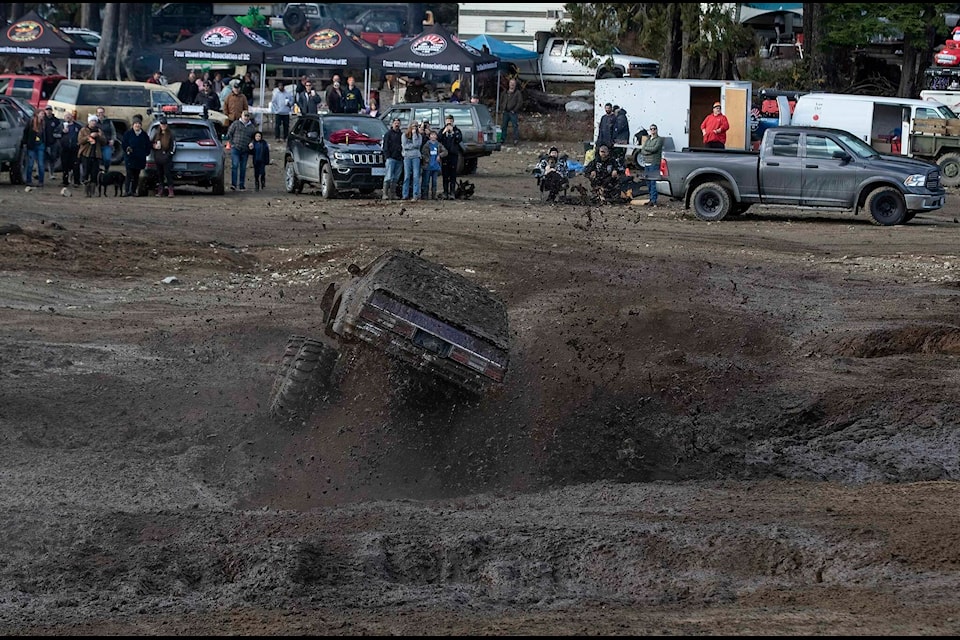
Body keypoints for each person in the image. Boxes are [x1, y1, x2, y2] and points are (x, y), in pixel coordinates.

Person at [226, 110, 257, 191]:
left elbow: (255, 138)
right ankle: (234, 184)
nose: (246, 117)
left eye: (247, 116)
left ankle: (241, 184)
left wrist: (252, 143)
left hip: (245, 150)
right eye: (245, 116)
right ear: (241, 116)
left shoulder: (252, 127)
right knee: (235, 166)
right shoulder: (236, 124)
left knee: (243, 168)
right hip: (235, 148)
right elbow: (229, 134)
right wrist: (232, 143)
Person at [121, 114, 151, 197]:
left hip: (140, 159)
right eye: (135, 124)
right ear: (133, 125)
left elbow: (148, 145)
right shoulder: (128, 134)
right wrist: (127, 149)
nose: (137, 125)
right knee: (129, 175)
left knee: (136, 176)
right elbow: (123, 144)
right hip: (130, 158)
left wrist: (146, 153)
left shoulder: (144, 135)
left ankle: (133, 191)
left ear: (141, 125)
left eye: (139, 124)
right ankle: (126, 191)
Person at [77, 114, 106, 191]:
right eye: (92, 121)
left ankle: (93, 190)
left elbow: (104, 142)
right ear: (89, 122)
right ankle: (86, 189)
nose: (94, 123)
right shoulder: (83, 130)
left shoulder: (99, 131)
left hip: (96, 154)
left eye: (95, 121)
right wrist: (89, 137)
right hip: (86, 154)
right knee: (85, 172)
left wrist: (99, 137)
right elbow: (80, 141)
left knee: (94, 173)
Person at [638, 123, 664, 206]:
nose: (653, 130)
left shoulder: (659, 139)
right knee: (648, 182)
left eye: (654, 129)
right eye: (651, 129)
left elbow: (655, 149)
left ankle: (654, 200)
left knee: (653, 182)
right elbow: (642, 150)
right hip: (647, 163)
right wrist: (648, 150)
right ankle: (650, 198)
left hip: (654, 163)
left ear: (657, 130)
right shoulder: (648, 139)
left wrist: (646, 150)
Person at [150, 116, 176, 197]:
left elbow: (173, 146)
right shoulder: (156, 134)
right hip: (158, 157)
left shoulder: (171, 134)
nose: (163, 126)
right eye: (162, 124)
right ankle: (160, 190)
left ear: (167, 125)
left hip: (166, 158)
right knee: (159, 175)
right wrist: (154, 146)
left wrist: (169, 155)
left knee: (168, 174)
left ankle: (170, 191)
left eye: (164, 124)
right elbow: (151, 143)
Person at [438, 113, 462, 200]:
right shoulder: (442, 130)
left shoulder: (457, 130)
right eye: (448, 121)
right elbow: (438, 139)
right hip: (445, 155)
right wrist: (444, 132)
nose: (449, 123)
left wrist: (453, 132)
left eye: (451, 121)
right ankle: (445, 192)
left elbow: (459, 139)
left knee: (452, 174)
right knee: (445, 174)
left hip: (453, 155)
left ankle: (452, 192)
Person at [420, 129, 447, 200]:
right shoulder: (426, 145)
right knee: (426, 182)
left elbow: (445, 151)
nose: (433, 136)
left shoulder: (438, 145)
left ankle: (433, 195)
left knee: (434, 182)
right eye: (431, 135)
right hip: (428, 166)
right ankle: (425, 195)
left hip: (436, 166)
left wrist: (440, 155)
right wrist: (427, 160)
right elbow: (423, 154)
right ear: (429, 137)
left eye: (434, 135)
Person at [22, 111, 46, 187]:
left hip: (41, 144)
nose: (42, 115)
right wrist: (24, 143)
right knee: (30, 164)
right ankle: (29, 181)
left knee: (41, 164)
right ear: (37, 114)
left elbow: (46, 134)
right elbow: (26, 132)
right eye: (41, 114)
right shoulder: (31, 122)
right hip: (32, 145)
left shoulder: (44, 123)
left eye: (43, 114)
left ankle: (41, 181)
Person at [381, 117, 403, 200]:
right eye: (395, 123)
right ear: (392, 124)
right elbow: (385, 146)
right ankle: (385, 194)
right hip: (391, 158)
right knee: (388, 177)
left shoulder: (401, 135)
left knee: (396, 177)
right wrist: (387, 156)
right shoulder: (388, 134)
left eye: (398, 123)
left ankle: (393, 194)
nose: (397, 124)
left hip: (399, 159)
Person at [58, 111, 82, 187]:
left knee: (76, 165)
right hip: (65, 148)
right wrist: (62, 132)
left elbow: (82, 135)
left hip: (75, 149)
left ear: (72, 117)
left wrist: (79, 143)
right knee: (65, 165)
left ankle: (76, 182)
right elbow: (55, 134)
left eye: (69, 116)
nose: (67, 117)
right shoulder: (61, 126)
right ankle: (65, 181)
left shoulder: (77, 126)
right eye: (66, 116)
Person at [400, 121, 422, 201]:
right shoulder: (404, 135)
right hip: (407, 157)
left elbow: (417, 144)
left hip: (416, 157)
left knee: (416, 176)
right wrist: (413, 146)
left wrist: (414, 135)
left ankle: (415, 195)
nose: (414, 128)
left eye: (416, 126)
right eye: (413, 126)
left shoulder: (418, 135)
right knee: (407, 176)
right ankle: (405, 194)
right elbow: (405, 146)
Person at [501, 78, 523, 145]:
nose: (512, 85)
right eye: (511, 83)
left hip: (513, 112)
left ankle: (515, 139)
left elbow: (520, 102)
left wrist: (514, 110)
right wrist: (502, 108)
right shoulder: (505, 92)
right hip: (505, 112)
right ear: (509, 84)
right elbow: (501, 100)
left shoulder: (517, 93)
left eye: (513, 83)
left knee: (515, 126)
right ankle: (502, 139)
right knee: (504, 126)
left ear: (515, 85)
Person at [42, 105, 62, 176]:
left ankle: (51, 173)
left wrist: (57, 137)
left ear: (52, 111)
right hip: (43, 142)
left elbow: (59, 130)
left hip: (53, 142)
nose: (48, 111)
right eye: (47, 110)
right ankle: (40, 173)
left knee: (52, 158)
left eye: (50, 110)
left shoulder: (56, 120)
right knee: (42, 159)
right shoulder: (42, 120)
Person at [96, 106, 116, 171]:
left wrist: (113, 140)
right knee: (97, 160)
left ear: (104, 113)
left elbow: (113, 132)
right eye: (98, 112)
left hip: (107, 144)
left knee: (107, 159)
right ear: (96, 113)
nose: (100, 114)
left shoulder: (109, 122)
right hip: (97, 144)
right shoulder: (94, 121)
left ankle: (106, 170)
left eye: (101, 112)